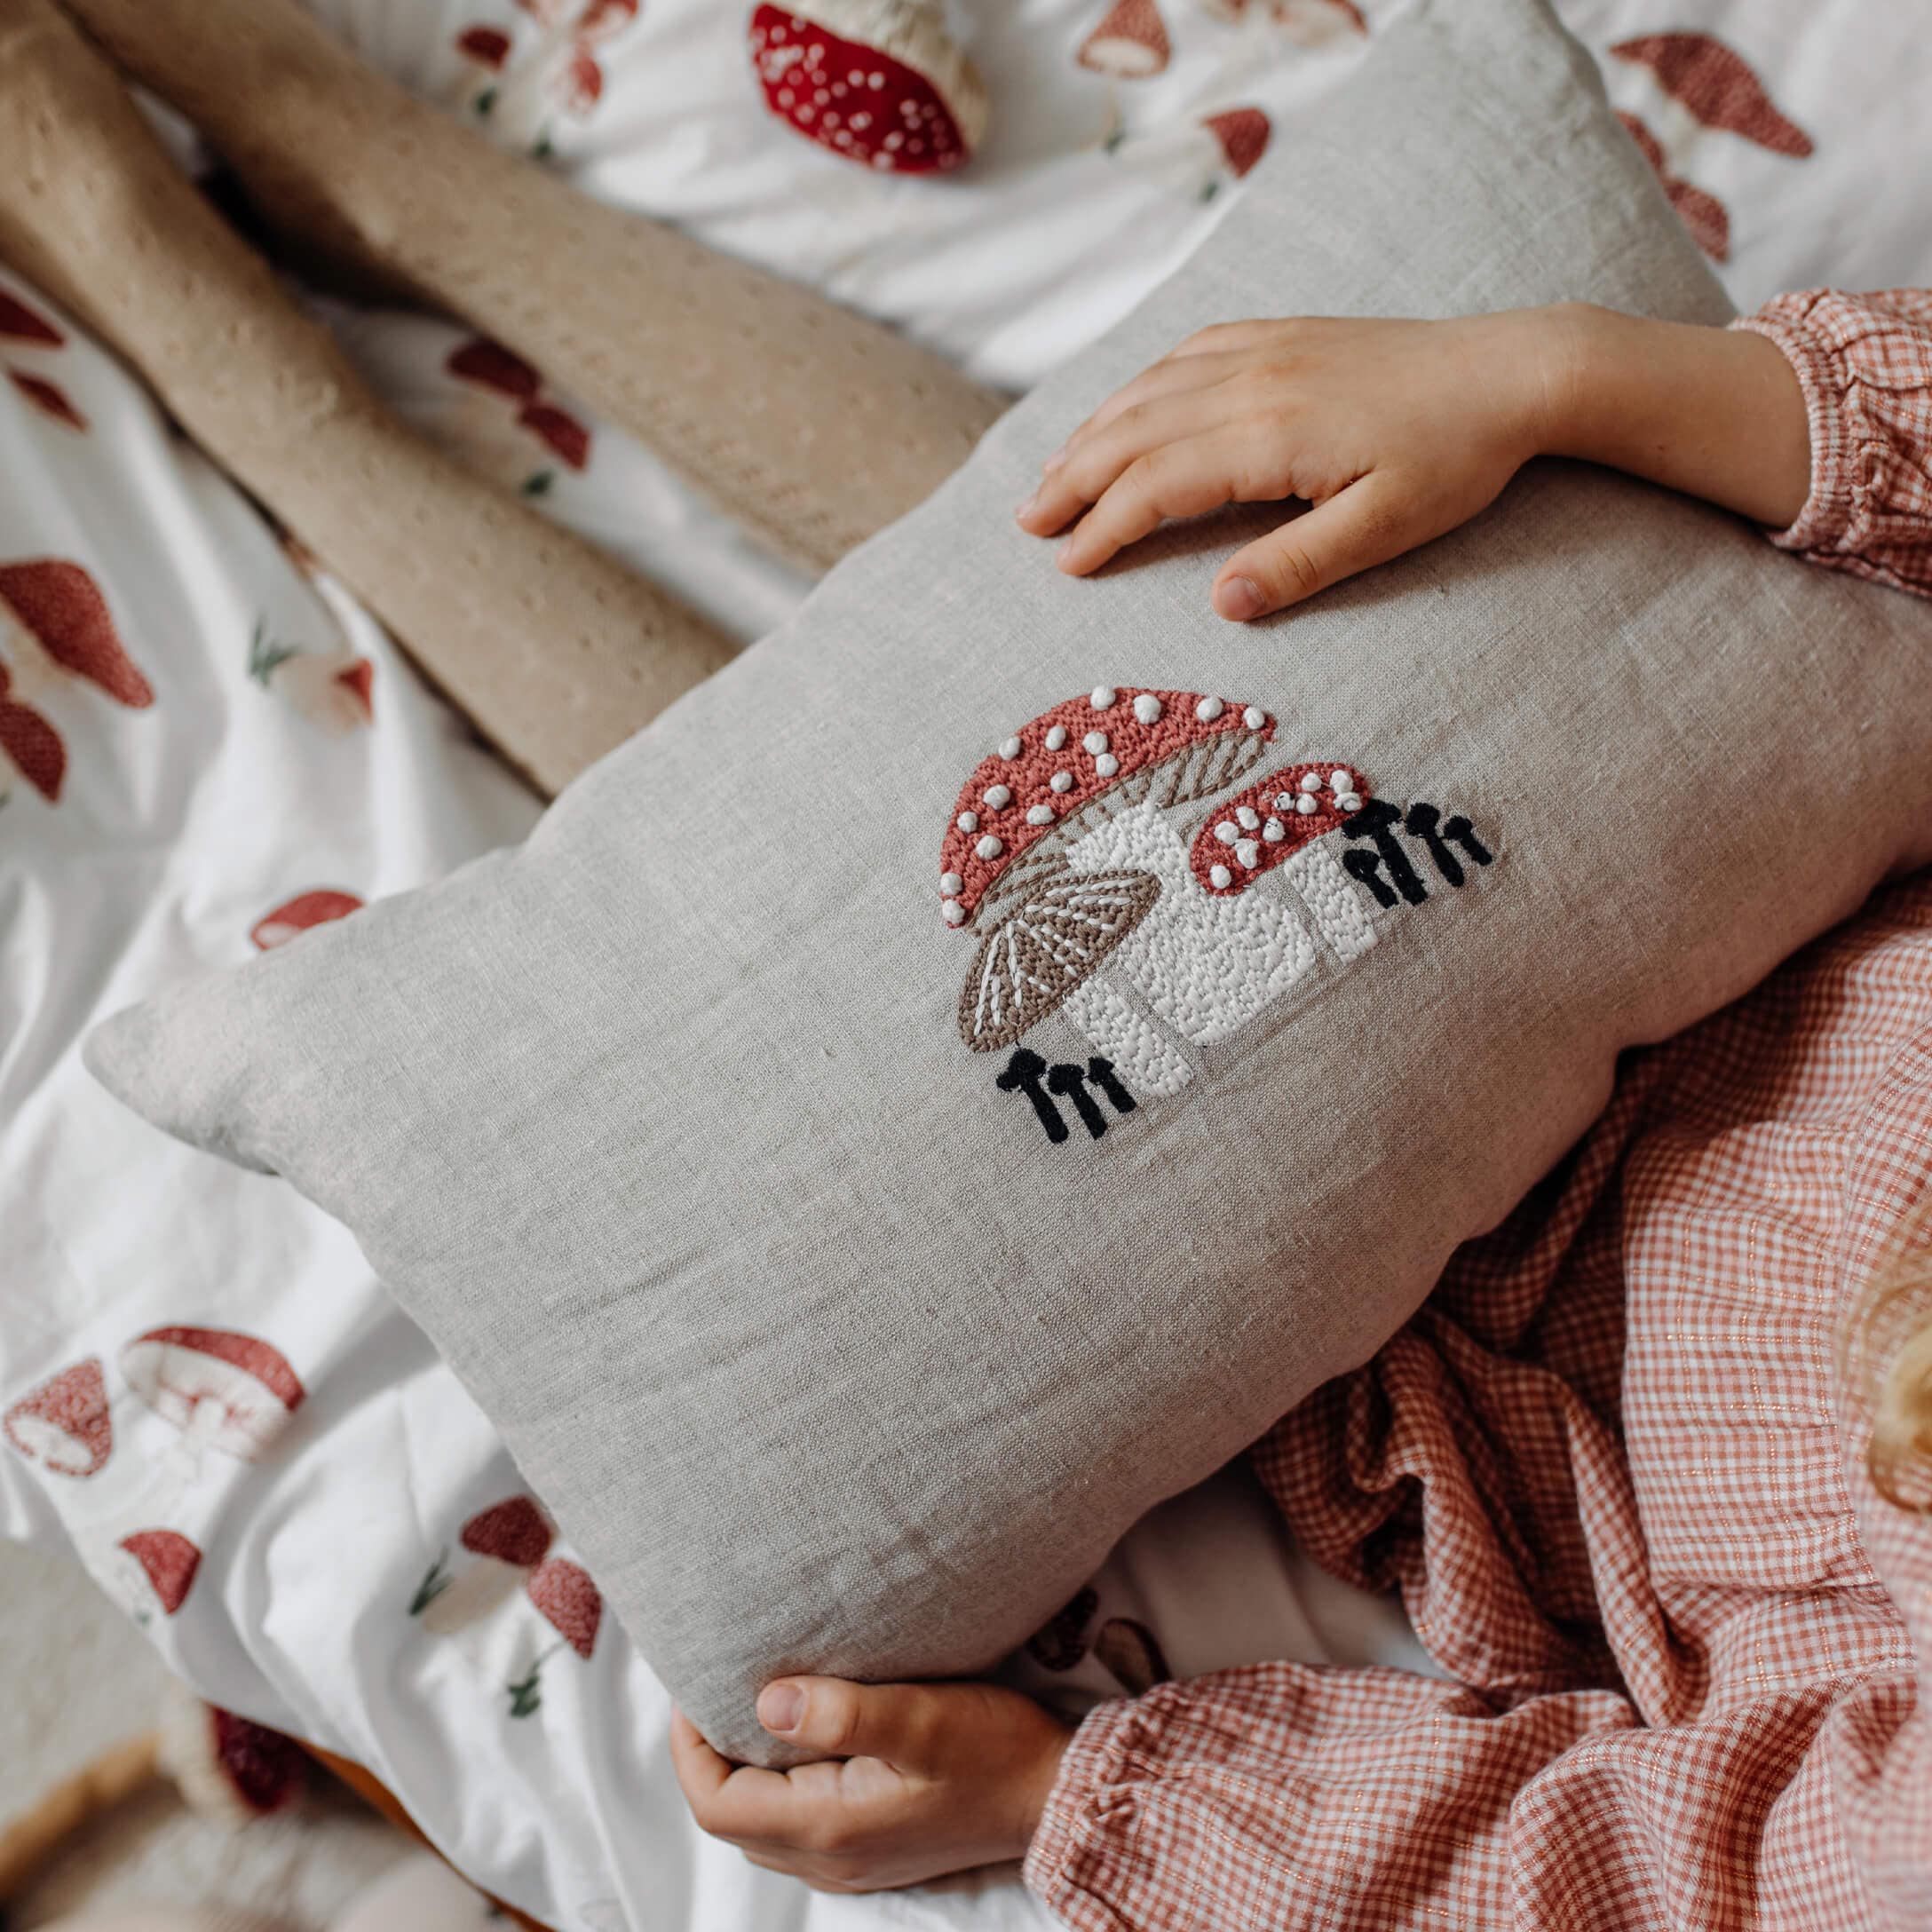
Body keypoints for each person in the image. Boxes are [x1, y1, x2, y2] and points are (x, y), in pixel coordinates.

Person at [668, 290, 1932, 1920]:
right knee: (1069, 566)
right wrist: (1548, 377)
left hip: (1433, 1340)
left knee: (773, 919)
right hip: (1731, 819)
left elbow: (1655, 1887)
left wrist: (1071, 1798)